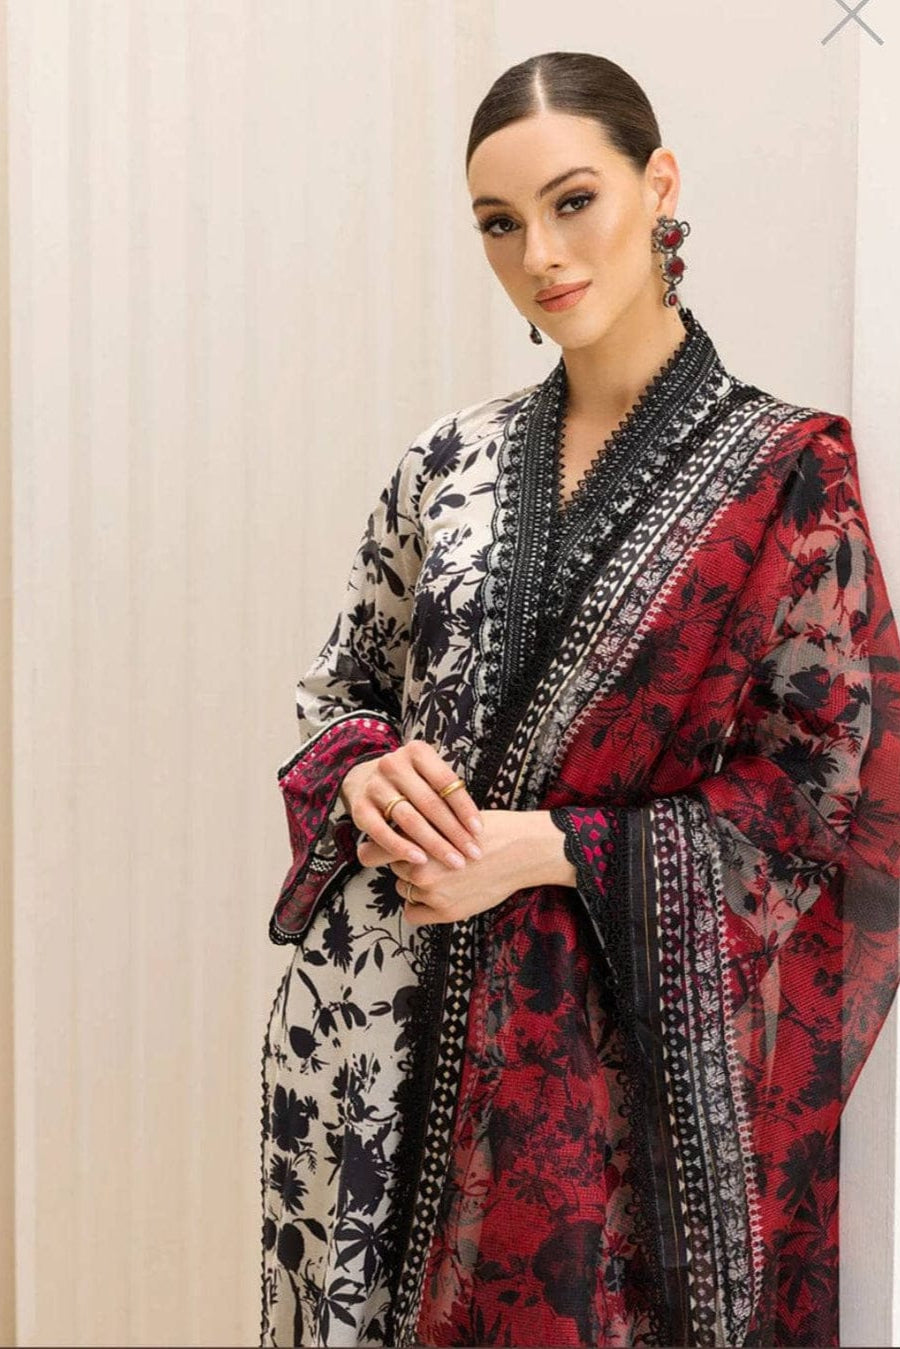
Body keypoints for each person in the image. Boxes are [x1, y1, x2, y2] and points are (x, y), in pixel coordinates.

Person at [259, 50, 900, 1349]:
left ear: (658, 185)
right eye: (499, 223)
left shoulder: (787, 476)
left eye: (572, 202)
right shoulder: (444, 464)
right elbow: (341, 694)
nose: (540, 255)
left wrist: (550, 847)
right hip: (377, 1058)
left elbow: (823, 805)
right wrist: (367, 769)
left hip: (606, 1118)